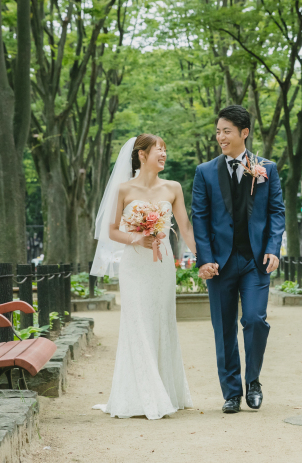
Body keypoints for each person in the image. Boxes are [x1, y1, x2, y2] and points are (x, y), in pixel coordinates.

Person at [90, 134, 195, 419]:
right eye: (159, 149)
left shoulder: (173, 188)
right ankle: (145, 395)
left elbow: (184, 226)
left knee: (161, 322)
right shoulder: (124, 189)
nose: (164, 154)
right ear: (141, 155)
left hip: (162, 268)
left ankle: (166, 389)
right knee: (137, 323)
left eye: (165, 149)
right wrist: (137, 238)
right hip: (135, 266)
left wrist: (202, 257)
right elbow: (111, 230)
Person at [191, 105, 285, 414]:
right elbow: (200, 218)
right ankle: (231, 392)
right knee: (224, 328)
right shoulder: (205, 172)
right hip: (220, 264)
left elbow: (276, 212)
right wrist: (204, 259)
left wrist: (274, 247)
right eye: (218, 131)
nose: (220, 137)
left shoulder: (266, 169)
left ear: (244, 133)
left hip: (256, 261)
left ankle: (253, 381)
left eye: (226, 131)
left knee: (255, 320)